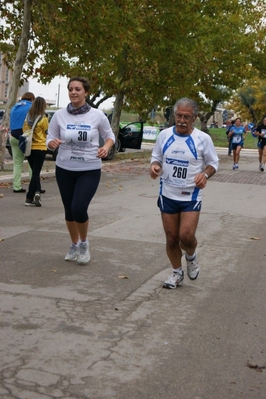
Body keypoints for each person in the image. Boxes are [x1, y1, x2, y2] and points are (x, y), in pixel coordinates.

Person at [150, 97, 219, 289]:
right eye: (178, 115)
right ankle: (176, 273)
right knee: (172, 238)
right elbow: (156, 158)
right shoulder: (164, 135)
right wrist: (155, 167)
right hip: (168, 194)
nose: (181, 120)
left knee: (186, 236)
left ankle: (191, 256)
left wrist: (204, 174)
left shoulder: (202, 139)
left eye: (186, 117)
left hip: (191, 195)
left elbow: (213, 164)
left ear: (194, 117)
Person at [46, 76, 115, 265]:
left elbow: (109, 137)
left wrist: (106, 148)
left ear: (86, 92)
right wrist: (51, 143)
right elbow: (50, 138)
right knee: (69, 210)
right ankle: (74, 244)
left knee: (78, 207)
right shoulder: (59, 115)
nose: (73, 92)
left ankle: (84, 243)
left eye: (78, 89)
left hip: (89, 169)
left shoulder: (97, 115)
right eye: (71, 89)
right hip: (64, 168)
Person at [23, 97, 49, 207]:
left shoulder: (27, 117)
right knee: (36, 173)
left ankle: (37, 192)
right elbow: (47, 132)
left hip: (29, 148)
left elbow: (24, 131)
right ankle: (29, 196)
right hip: (41, 147)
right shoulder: (44, 118)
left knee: (34, 172)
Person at [9, 92, 35, 192]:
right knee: (32, 163)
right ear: (32, 99)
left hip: (13, 137)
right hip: (26, 137)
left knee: (17, 163)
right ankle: (34, 186)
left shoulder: (15, 106)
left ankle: (16, 186)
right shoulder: (32, 107)